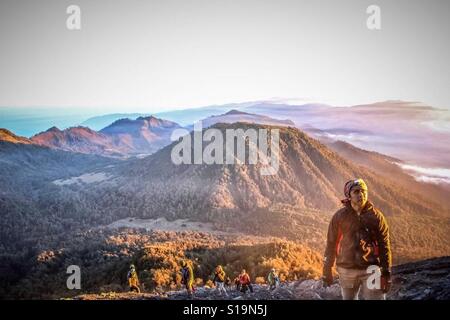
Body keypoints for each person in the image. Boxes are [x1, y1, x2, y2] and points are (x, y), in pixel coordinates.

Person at [322, 178, 392, 300]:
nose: (361, 194)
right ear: (349, 195)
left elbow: (384, 245)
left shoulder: (376, 217)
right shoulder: (339, 217)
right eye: (356, 191)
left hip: (371, 269)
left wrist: (386, 271)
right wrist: (327, 269)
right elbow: (331, 243)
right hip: (346, 270)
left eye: (363, 191)